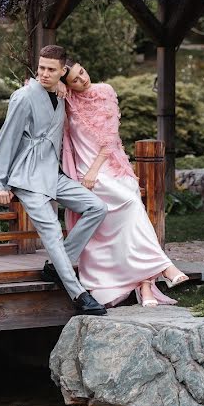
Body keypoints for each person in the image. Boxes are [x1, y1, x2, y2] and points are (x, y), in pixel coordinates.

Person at [0, 45, 109, 315]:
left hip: (52, 173)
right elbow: (7, 138)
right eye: (41, 67)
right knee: (52, 233)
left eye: (51, 69)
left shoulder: (61, 94)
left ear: (62, 72)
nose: (44, 73)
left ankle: (56, 266)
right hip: (27, 176)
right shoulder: (24, 96)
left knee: (97, 208)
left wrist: (61, 87)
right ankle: (78, 294)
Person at [59, 58, 189, 307]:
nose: (82, 79)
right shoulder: (66, 101)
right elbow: (36, 82)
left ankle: (151, 279)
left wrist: (93, 173)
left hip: (107, 168)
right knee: (132, 208)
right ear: (68, 85)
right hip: (84, 172)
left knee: (131, 203)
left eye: (82, 72)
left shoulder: (104, 92)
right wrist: (58, 88)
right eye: (75, 79)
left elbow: (109, 140)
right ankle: (156, 275)